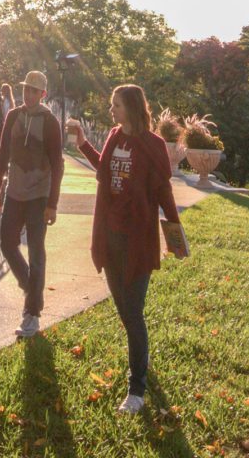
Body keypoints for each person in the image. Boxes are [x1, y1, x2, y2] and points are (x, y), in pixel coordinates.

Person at [69, 84, 182, 414]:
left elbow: (163, 191)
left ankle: (137, 389)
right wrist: (83, 145)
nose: (112, 110)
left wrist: (175, 235)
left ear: (132, 107)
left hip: (137, 241)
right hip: (110, 237)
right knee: (125, 311)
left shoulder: (153, 145)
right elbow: (104, 170)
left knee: (133, 312)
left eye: (116, 105)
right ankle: (142, 358)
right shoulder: (115, 137)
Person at [0, 70, 64, 338]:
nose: (29, 94)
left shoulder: (49, 122)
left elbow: (58, 164)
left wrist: (52, 203)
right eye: (26, 89)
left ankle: (31, 313)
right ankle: (30, 285)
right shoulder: (13, 116)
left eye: (34, 90)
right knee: (7, 243)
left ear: (43, 94)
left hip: (39, 194)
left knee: (36, 251)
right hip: (15, 191)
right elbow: (3, 153)